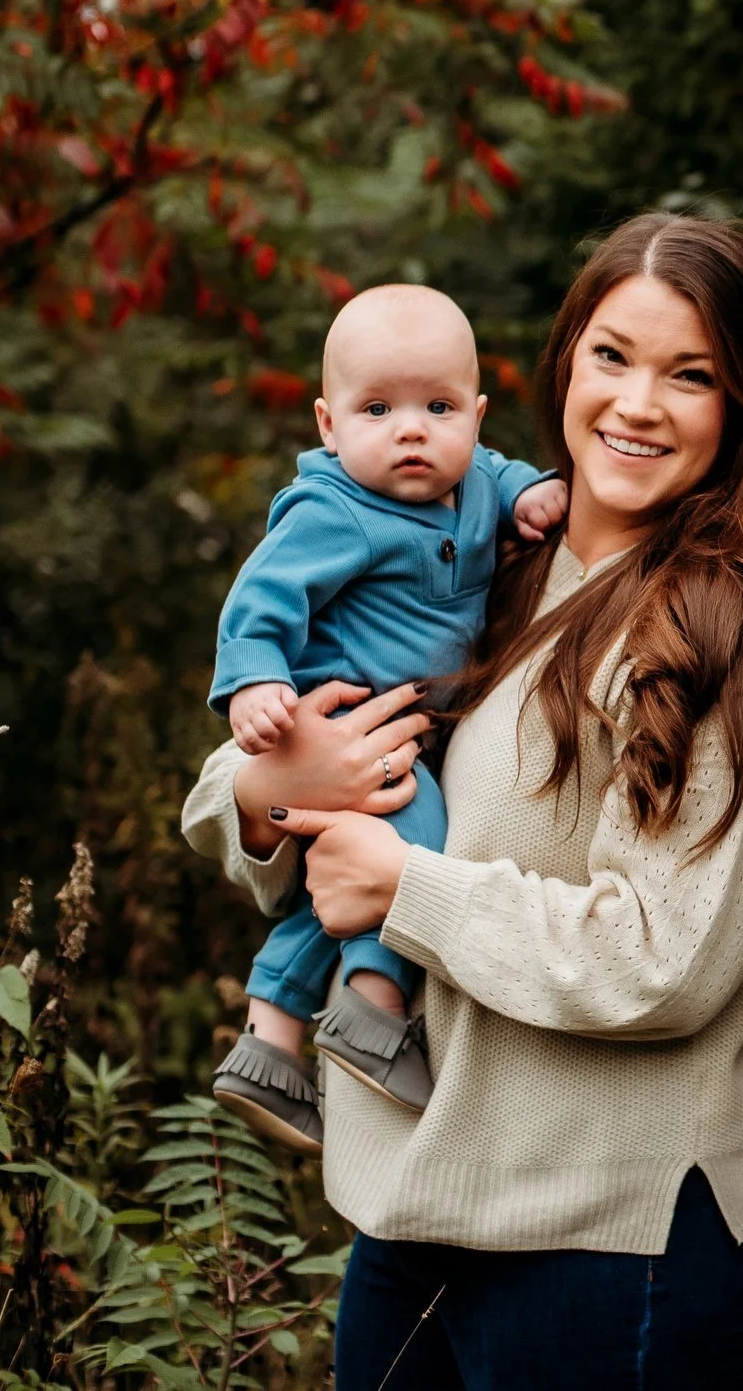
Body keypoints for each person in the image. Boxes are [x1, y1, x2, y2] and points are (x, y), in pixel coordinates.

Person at [180, 214, 743, 1390]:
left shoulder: (730, 630)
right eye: (612, 356)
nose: (638, 404)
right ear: (563, 363)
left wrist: (404, 886)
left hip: (612, 1230)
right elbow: (237, 792)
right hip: (418, 1208)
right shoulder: (487, 557)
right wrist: (274, 790)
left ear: (741, 401)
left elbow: (660, 960)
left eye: (691, 375)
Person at [208, 284, 570, 1151]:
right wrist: (254, 683)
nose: (411, 430)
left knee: (340, 884)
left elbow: (504, 474)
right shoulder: (332, 509)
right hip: (349, 723)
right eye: (378, 409)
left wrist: (532, 493)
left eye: (438, 408)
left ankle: (266, 1041)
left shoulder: (476, 483)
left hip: (413, 728)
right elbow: (261, 598)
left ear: (476, 416)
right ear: (329, 424)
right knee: (416, 843)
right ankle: (373, 1011)